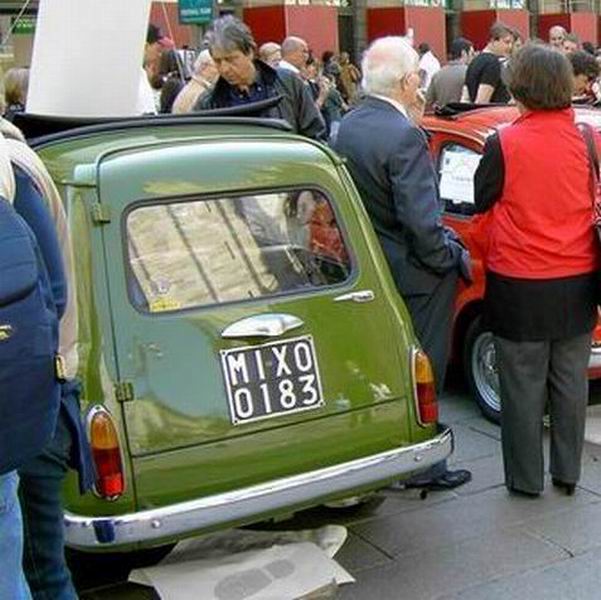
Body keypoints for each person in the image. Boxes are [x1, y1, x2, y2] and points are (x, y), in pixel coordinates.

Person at [334, 36, 472, 490]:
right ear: (408, 81)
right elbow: (421, 220)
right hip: (416, 272)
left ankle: (389, 451)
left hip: (375, 263)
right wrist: (447, 257)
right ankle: (423, 462)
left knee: (384, 365)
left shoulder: (349, 124)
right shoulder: (403, 134)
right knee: (423, 365)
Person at [473, 44, 599, 498]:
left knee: (522, 386)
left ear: (519, 87)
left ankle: (525, 480)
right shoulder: (588, 139)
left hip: (520, 281)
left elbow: (482, 201)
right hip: (578, 278)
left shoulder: (503, 143)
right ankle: (568, 472)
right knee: (570, 382)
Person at [193, 16, 326, 141]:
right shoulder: (208, 102)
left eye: (231, 59)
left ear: (250, 52)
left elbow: (315, 135)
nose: (224, 68)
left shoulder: (289, 83)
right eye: (217, 61)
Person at [464, 22, 514, 103]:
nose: (510, 46)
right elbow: (481, 101)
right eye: (506, 42)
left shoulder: (474, 61)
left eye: (511, 43)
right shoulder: (492, 63)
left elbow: (466, 96)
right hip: (493, 110)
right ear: (493, 41)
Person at [426, 37, 473, 110]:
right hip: (465, 114)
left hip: (443, 115)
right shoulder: (470, 72)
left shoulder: (437, 74)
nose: (473, 57)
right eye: (471, 54)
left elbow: (428, 101)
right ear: (464, 53)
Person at [172, 49, 218, 114]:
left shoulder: (193, 87)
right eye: (216, 66)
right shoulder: (201, 93)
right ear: (203, 67)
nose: (220, 70)